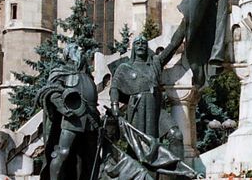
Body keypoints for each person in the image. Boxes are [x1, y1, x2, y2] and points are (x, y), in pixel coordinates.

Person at [110, 19, 186, 138]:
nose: (140, 45)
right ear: (133, 48)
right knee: (140, 145)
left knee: (176, 135)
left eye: (143, 43)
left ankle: (175, 157)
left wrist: (186, 23)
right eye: (137, 43)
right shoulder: (124, 68)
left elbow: (173, 46)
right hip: (137, 109)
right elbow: (114, 87)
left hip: (156, 109)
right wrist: (114, 106)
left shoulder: (156, 62)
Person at [38, 42, 100, 180]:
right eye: (77, 48)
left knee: (89, 155)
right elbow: (51, 92)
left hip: (91, 120)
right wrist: (64, 109)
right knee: (63, 152)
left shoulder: (87, 76)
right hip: (72, 119)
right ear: (69, 53)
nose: (81, 49)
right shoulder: (61, 71)